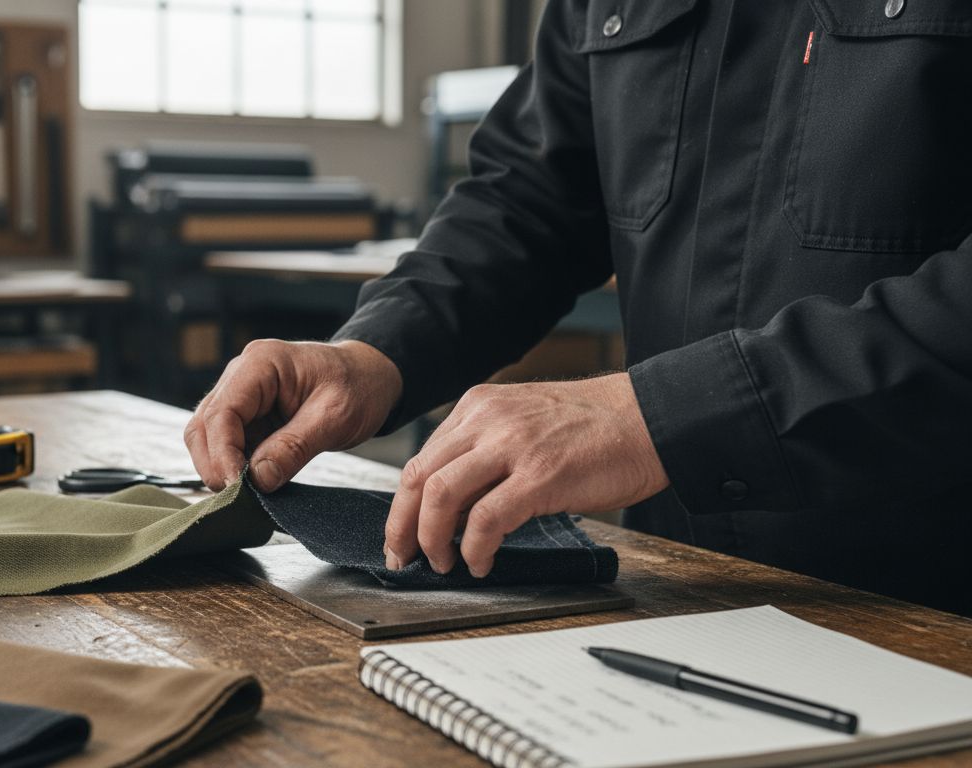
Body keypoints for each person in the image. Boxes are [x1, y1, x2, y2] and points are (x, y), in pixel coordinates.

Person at [184, 0, 972, 617]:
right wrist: (374, 355)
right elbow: (530, 202)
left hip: (937, 601)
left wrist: (660, 416)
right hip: (691, 594)